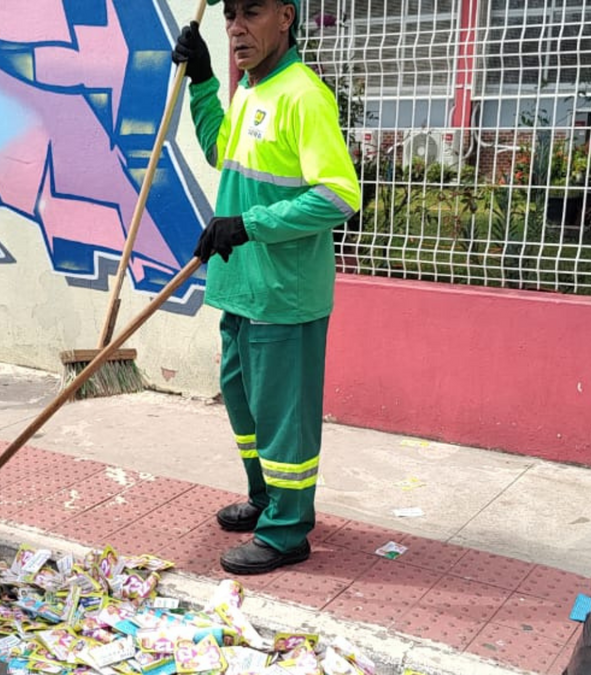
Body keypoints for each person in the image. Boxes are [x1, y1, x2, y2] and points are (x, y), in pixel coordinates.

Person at [172, 0, 361, 574]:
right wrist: (204, 82)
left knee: (283, 417)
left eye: (251, 12)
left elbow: (338, 196)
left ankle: (287, 530)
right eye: (230, 15)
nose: (235, 28)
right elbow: (219, 152)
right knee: (246, 406)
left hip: (284, 295)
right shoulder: (252, 91)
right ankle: (265, 499)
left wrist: (249, 225)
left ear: (285, 16)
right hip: (240, 290)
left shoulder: (303, 95)